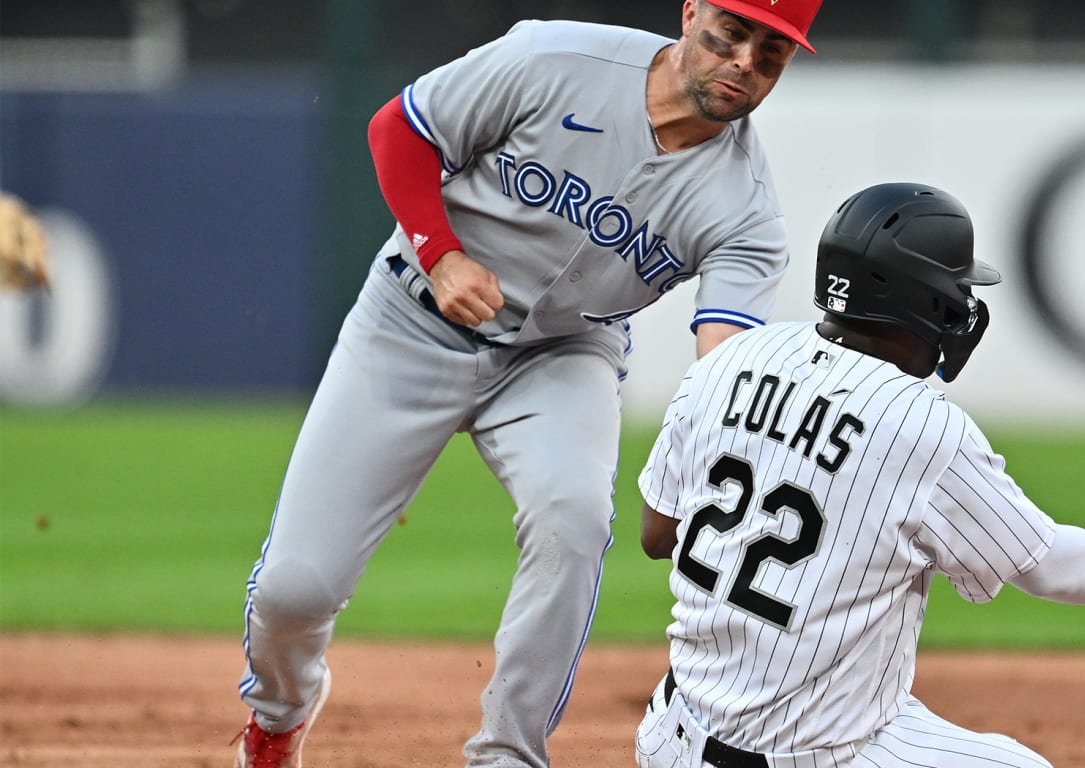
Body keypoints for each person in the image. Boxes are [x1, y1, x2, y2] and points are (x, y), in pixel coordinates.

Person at [232, 2, 822, 766]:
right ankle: (279, 714)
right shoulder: (555, 60)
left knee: (575, 519)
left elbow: (724, 363)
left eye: (772, 51)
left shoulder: (745, 208)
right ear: (689, 16)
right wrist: (440, 253)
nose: (744, 60)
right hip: (410, 320)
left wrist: (719, 453)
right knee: (295, 591)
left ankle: (507, 754)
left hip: (562, 353)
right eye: (730, 33)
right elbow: (400, 131)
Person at [633, 182, 1085, 768]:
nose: (963, 305)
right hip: (814, 755)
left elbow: (658, 535)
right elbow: (1047, 564)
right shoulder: (924, 428)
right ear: (923, 301)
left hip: (669, 735)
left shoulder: (734, 355)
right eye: (955, 290)